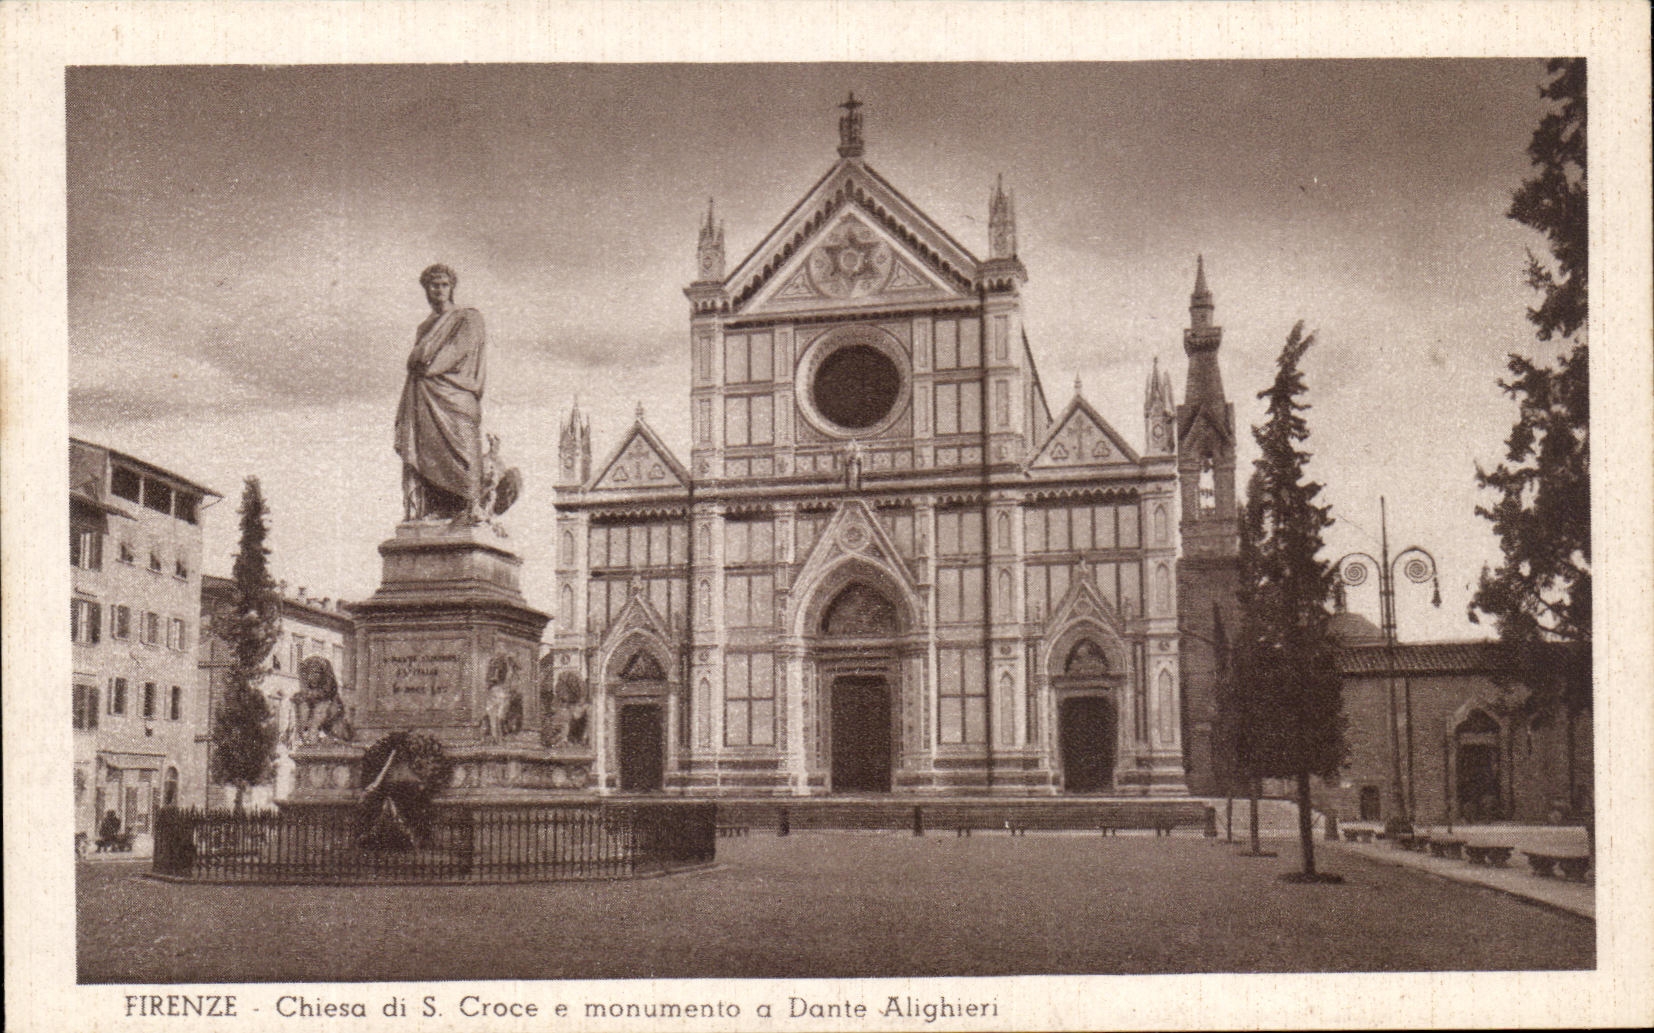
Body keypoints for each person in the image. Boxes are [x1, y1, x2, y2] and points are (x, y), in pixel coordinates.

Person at [395, 264, 487, 521]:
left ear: (452, 287)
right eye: (433, 285)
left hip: (457, 395)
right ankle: (438, 509)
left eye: (444, 284)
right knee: (428, 453)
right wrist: (421, 361)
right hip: (425, 397)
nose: (439, 290)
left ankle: (470, 506)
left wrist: (424, 362)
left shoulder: (467, 318)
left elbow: (457, 351)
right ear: (426, 289)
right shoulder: (424, 327)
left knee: (463, 449)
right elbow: (417, 361)